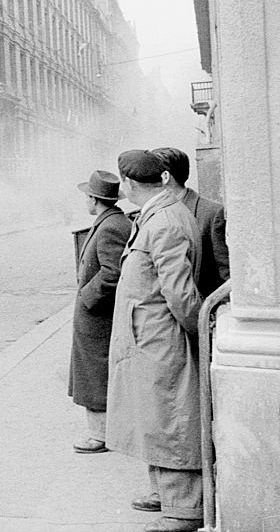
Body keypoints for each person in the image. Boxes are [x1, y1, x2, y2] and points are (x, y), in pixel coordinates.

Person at [106, 150, 203, 532]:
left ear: (129, 185)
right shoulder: (158, 215)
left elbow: (180, 295)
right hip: (150, 339)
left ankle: (184, 509)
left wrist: (197, 336)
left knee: (171, 419)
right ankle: (166, 493)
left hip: (161, 341)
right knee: (156, 416)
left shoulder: (162, 222)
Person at [69, 170, 130, 455]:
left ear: (95, 199)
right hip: (97, 317)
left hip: (98, 318)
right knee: (95, 373)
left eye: (87, 197)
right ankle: (104, 431)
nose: (86, 201)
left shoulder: (110, 226)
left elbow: (112, 273)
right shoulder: (111, 220)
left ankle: (99, 435)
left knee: (95, 376)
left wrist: (86, 297)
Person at [150, 147, 229, 299]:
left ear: (165, 176)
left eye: (150, 174)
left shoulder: (211, 213)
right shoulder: (153, 213)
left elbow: (225, 274)